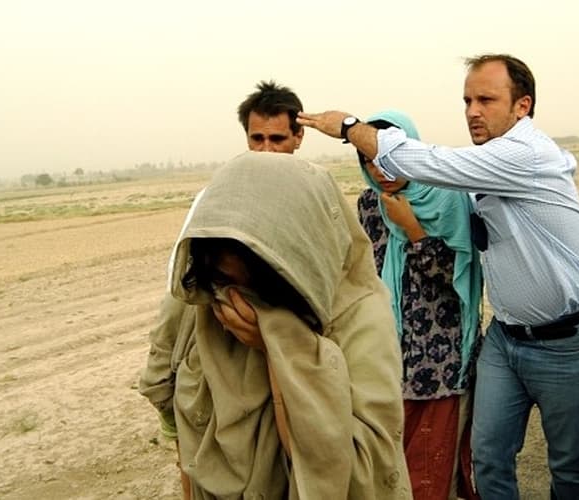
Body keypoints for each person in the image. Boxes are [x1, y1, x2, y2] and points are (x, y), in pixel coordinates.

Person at [298, 54, 579, 500]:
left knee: (570, 463)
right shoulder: (485, 164)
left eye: (486, 99)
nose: (472, 111)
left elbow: (433, 167)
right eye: (467, 100)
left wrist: (350, 127)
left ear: (522, 106)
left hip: (566, 341)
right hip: (505, 339)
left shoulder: (524, 154)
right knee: (488, 457)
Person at [142, 152, 412, 498]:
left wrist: (281, 344)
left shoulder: (360, 319)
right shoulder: (203, 302)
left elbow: (357, 473)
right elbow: (173, 408)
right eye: (225, 281)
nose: (238, 301)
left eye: (260, 290)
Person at [139, 80, 305, 497]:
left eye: (277, 138)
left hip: (281, 365)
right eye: (257, 138)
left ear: (298, 137)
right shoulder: (216, 199)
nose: (266, 149)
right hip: (213, 359)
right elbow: (180, 290)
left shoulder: (310, 201)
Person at [354, 110, 483, 499]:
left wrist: (413, 229)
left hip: (439, 361)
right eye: (369, 161)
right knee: (390, 470)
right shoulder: (368, 206)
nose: (380, 171)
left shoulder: (448, 200)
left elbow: (456, 277)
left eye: (389, 158)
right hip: (386, 360)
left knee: (433, 469)